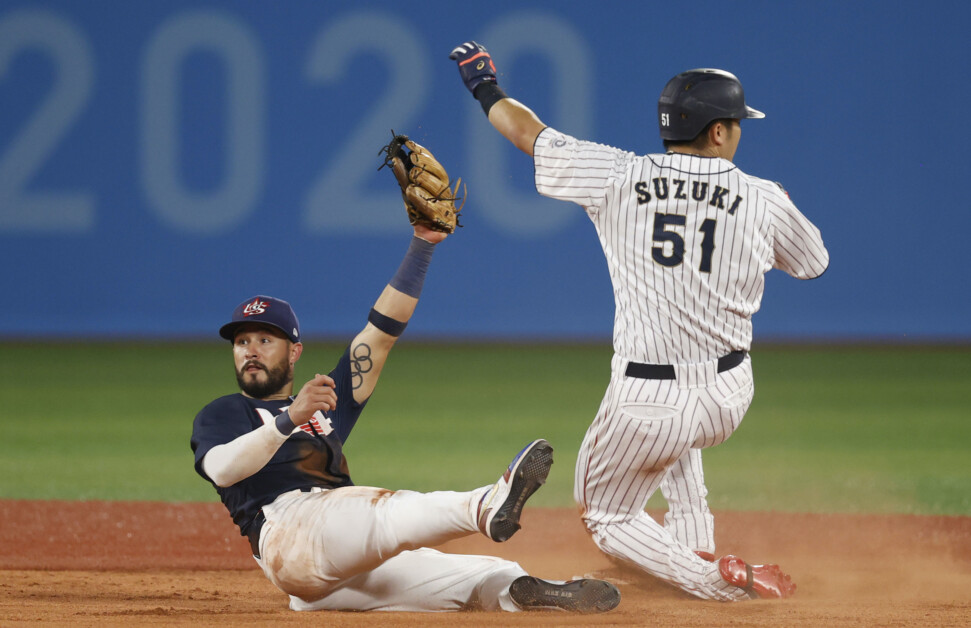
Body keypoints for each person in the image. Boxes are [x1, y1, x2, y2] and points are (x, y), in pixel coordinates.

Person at [449, 41, 829, 601]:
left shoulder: (618, 174)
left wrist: (484, 85)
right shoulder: (762, 197)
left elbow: (530, 135)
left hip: (648, 401)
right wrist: (770, 210)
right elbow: (813, 262)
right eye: (737, 123)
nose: (740, 132)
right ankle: (693, 545)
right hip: (729, 392)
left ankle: (715, 581)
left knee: (606, 514)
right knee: (678, 448)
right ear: (718, 132)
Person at [190, 219, 621, 613]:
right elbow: (223, 470)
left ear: (294, 351)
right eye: (241, 341)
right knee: (384, 512)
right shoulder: (226, 412)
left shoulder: (322, 402)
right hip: (289, 536)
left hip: (334, 567)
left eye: (265, 339)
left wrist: (423, 244)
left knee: (488, 574)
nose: (250, 349)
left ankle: (525, 593)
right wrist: (288, 419)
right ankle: (486, 505)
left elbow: (379, 335)